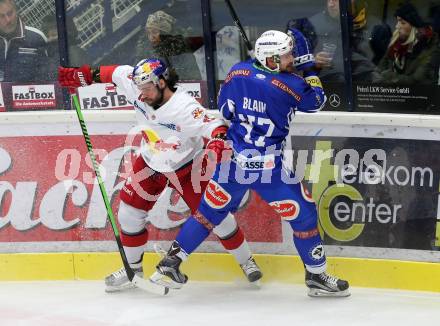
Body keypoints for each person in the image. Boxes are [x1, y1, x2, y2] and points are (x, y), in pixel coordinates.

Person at [149, 29, 350, 297]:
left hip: (232, 163)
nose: (291, 58)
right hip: (269, 170)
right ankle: (316, 275)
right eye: (286, 54)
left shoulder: (237, 72)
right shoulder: (291, 83)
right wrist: (309, 68)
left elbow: (225, 111)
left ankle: (169, 265)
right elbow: (316, 102)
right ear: (271, 60)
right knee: (304, 215)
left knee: (208, 213)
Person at [58, 58, 262, 292]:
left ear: (162, 82)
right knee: (128, 214)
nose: (141, 95)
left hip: (189, 166)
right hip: (151, 162)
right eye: (139, 89)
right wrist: (81, 77)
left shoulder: (184, 107)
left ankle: (246, 261)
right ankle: (132, 270)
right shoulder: (135, 82)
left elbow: (215, 126)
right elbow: (109, 72)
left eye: (146, 89)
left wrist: (217, 140)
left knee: (218, 217)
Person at [288, 0, 381, 82]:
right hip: (329, 84)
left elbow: (382, 63)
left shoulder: (376, 26)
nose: (330, 5)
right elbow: (291, 61)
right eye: (329, 0)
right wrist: (313, 61)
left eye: (335, 0)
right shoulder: (313, 25)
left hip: (364, 87)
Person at [377, 2, 439, 85]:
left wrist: (389, 76)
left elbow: (416, 81)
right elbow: (380, 67)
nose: (397, 26)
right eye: (397, 21)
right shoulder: (396, 44)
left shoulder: (430, 47)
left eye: (402, 23)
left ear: (414, 26)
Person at [134, 10, 201, 80]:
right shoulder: (145, 50)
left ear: (165, 34)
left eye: (154, 32)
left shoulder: (180, 50)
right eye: (148, 32)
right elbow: (137, 74)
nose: (151, 37)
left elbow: (193, 79)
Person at [0, 0, 48, 82]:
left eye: (10, 13)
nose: (8, 20)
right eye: (1, 16)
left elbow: (49, 76)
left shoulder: (36, 37)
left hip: (30, 92)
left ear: (16, 11)